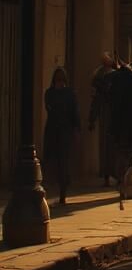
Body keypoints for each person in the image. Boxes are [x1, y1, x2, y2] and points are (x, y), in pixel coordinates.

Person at [44, 66, 80, 206]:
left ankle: (62, 192)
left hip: (63, 131)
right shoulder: (52, 93)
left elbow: (74, 113)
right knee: (56, 161)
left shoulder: (67, 94)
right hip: (56, 130)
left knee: (62, 161)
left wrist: (75, 129)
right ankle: (59, 190)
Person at [88, 52, 118, 186]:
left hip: (110, 115)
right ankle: (111, 174)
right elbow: (96, 100)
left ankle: (110, 174)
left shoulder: (101, 77)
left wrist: (92, 119)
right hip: (110, 115)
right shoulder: (107, 77)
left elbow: (96, 101)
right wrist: (92, 119)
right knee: (110, 146)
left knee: (109, 147)